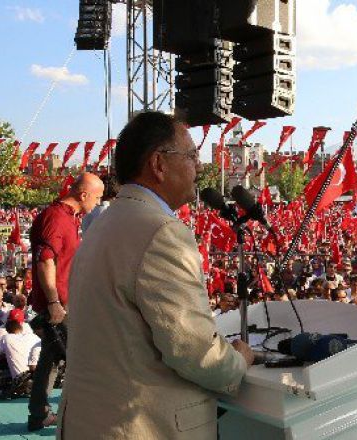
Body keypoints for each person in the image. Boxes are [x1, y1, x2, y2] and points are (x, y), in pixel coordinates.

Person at [60, 112, 253, 439]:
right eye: (191, 156)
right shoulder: (161, 232)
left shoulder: (103, 223)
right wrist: (238, 361)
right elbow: (195, 351)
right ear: (159, 164)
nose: (199, 167)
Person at [26, 171, 104, 432]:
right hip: (58, 305)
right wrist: (53, 303)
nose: (98, 203)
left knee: (50, 359)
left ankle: (38, 414)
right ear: (83, 194)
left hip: (63, 302)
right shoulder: (56, 218)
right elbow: (45, 260)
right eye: (97, 197)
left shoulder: (68, 217)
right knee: (83, 360)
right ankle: (84, 420)